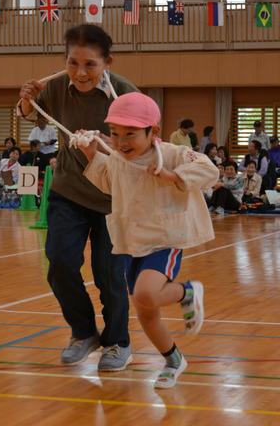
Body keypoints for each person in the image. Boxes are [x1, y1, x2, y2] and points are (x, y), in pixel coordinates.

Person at [18, 24, 139, 371]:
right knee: (59, 263)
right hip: (68, 193)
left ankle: (118, 342)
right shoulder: (55, 88)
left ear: (107, 62)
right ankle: (84, 333)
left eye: (90, 64)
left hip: (114, 199)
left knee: (109, 275)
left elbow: (146, 143)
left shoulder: (126, 95)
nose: (80, 72)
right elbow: (28, 114)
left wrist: (109, 143)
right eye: (73, 63)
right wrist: (26, 100)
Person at [77, 92, 218, 388]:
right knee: (146, 313)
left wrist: (170, 175)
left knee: (146, 294)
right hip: (131, 242)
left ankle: (187, 291)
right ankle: (174, 359)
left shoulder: (171, 153)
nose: (121, 141)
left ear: (152, 131)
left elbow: (208, 169)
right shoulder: (116, 158)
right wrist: (92, 153)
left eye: (130, 134)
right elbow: (107, 183)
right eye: (115, 134)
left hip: (164, 239)